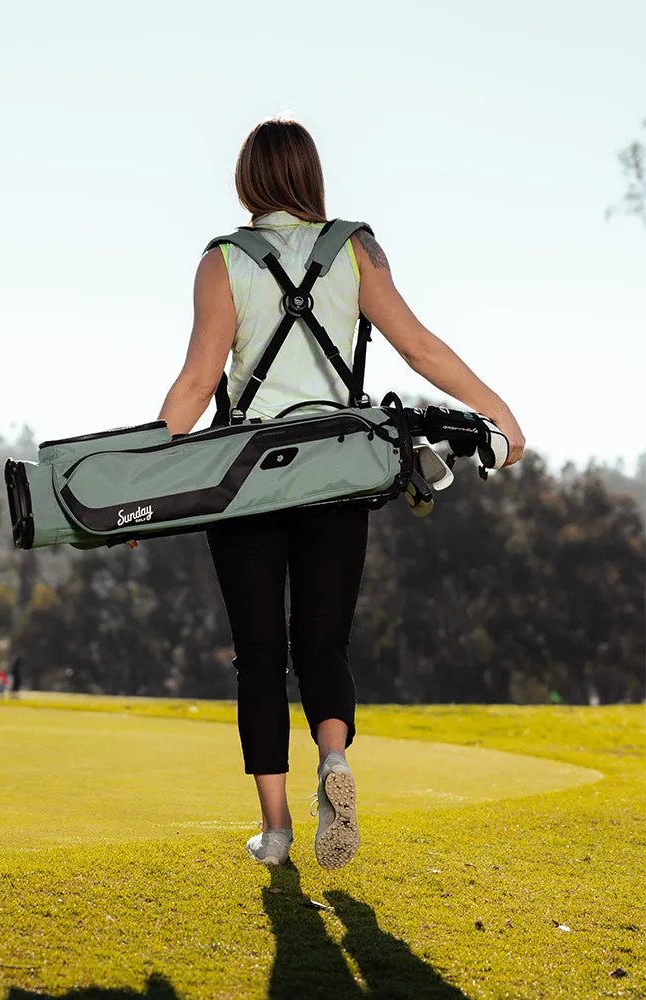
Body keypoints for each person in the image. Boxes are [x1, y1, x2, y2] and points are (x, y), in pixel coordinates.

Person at [156, 119, 525, 870]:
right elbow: (420, 347)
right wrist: (501, 415)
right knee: (322, 643)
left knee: (260, 657)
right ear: (311, 176)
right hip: (339, 473)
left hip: (246, 483)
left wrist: (148, 484)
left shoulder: (223, 260)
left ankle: (278, 831)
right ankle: (335, 762)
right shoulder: (356, 249)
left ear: (247, 179)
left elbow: (198, 385)